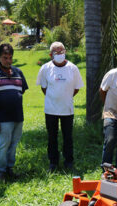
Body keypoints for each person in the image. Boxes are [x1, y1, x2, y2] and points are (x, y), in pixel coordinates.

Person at [36, 41, 84, 172]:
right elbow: (44, 87)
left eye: (62, 51)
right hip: (51, 109)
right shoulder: (45, 68)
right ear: (51, 54)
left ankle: (69, 161)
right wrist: (54, 97)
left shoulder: (73, 68)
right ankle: (53, 162)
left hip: (67, 109)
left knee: (68, 136)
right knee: (52, 136)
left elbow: (76, 88)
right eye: (56, 52)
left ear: (65, 52)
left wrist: (66, 97)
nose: (60, 54)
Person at [0, 43, 28, 181]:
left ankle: (9, 169)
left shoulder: (18, 72)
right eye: (5, 58)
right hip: (2, 118)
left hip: (18, 116)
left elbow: (20, 91)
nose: (8, 61)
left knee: (14, 144)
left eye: (10, 57)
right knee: (4, 144)